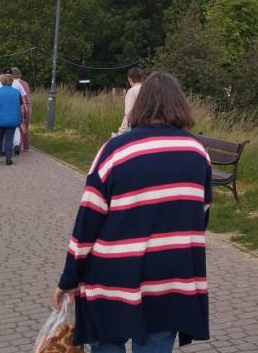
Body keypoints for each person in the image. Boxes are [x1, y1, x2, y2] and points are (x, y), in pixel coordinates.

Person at [52, 72, 212, 352]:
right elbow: (202, 215)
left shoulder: (115, 151)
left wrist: (70, 277)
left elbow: (88, 221)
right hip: (170, 277)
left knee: (107, 342)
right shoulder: (198, 153)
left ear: (141, 104)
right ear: (180, 104)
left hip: (113, 276)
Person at [0, 73, 23, 165]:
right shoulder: (17, 92)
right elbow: (21, 105)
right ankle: (8, 159)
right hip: (13, 119)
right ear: (12, 82)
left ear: (1, 82)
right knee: (9, 139)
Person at [117, 66, 144, 134]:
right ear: (141, 78)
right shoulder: (148, 89)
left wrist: (120, 132)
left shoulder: (132, 91)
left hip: (136, 128)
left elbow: (128, 114)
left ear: (129, 79)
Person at [11, 67, 32, 152]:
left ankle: (17, 145)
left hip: (18, 106)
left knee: (16, 127)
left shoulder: (12, 83)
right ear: (20, 75)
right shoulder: (25, 83)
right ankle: (26, 146)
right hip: (28, 106)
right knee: (25, 126)